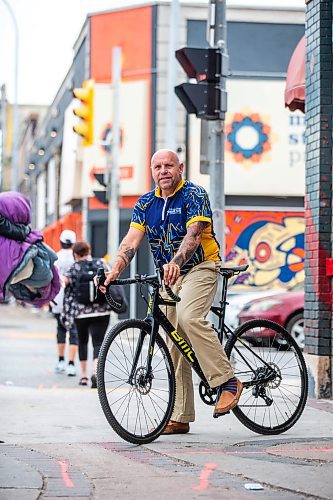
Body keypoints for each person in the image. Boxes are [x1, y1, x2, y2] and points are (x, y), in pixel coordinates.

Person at [98, 149, 243, 434]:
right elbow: (132, 240)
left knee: (189, 319)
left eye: (169, 165)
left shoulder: (194, 194)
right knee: (174, 341)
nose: (163, 170)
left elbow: (194, 235)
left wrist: (176, 262)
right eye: (157, 166)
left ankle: (227, 380)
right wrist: (115, 268)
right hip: (169, 275)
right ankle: (180, 416)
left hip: (201, 267)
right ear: (151, 170)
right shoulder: (146, 203)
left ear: (180, 168)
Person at [62, 240, 112, 389]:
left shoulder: (74, 267)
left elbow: (65, 281)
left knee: (82, 342)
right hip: (102, 311)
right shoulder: (101, 263)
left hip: (81, 313)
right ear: (89, 251)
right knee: (98, 342)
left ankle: (83, 376)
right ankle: (95, 372)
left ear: (76, 254)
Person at [51, 230, 78, 376]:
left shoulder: (55, 257)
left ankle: (61, 361)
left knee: (60, 329)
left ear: (61, 242)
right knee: (74, 331)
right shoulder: (76, 258)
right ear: (73, 243)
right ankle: (71, 364)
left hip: (57, 299)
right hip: (74, 300)